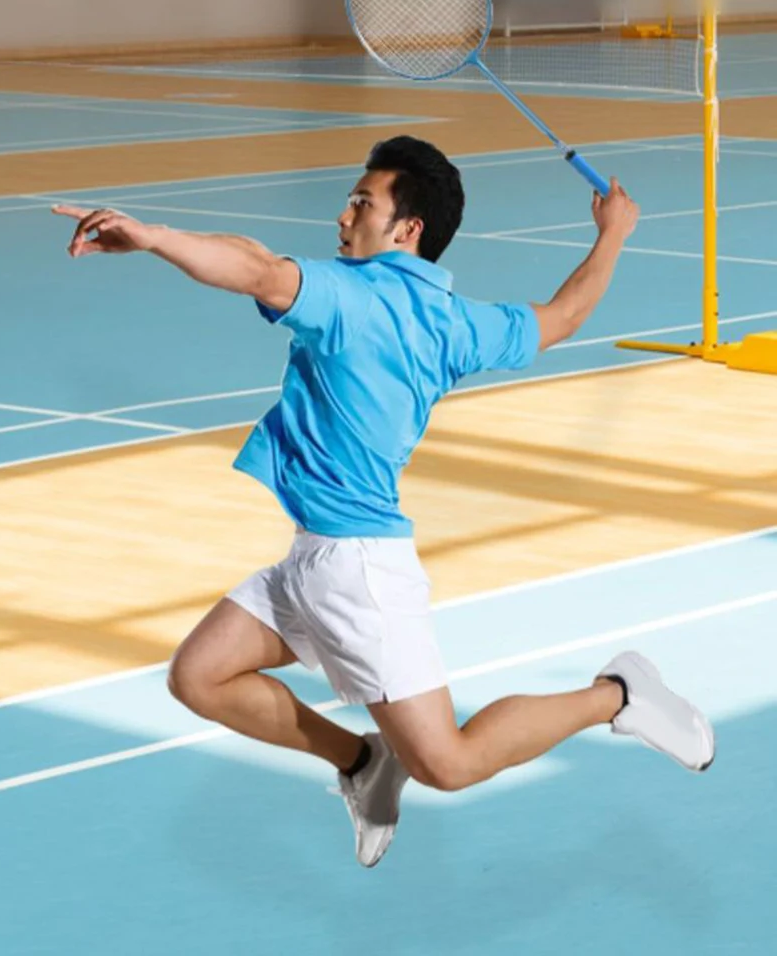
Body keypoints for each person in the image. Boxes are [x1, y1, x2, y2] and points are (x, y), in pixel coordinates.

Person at [54, 135, 713, 867]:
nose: (343, 216)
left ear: (408, 229)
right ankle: (365, 762)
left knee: (450, 763)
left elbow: (255, 267)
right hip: (314, 556)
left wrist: (151, 237)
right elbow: (562, 317)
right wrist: (614, 233)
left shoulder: (348, 296)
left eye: (362, 203)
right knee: (200, 676)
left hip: (360, 569)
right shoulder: (455, 320)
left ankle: (618, 694)